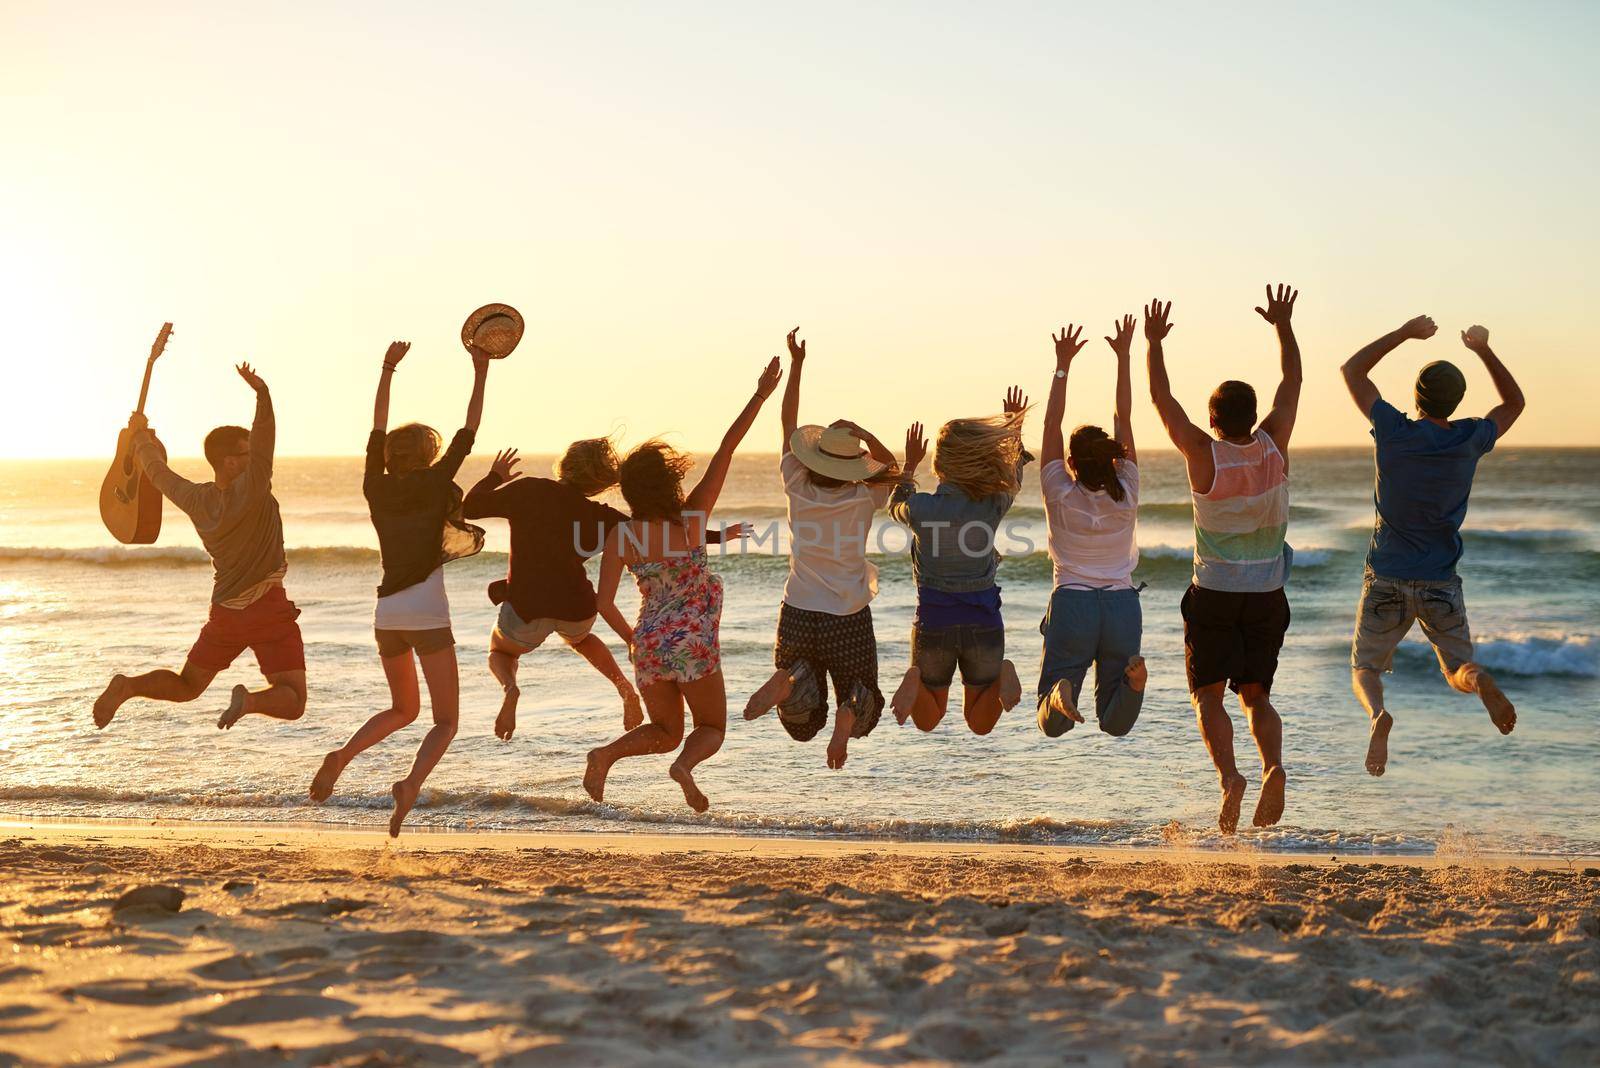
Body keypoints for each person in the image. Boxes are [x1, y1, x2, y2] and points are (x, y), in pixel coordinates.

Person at [583, 357, 783, 812]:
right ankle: (685, 768)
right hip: (692, 641)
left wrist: (633, 639)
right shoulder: (692, 520)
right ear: (671, 481)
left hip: (649, 643)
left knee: (666, 732)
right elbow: (727, 450)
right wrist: (759, 396)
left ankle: (606, 754)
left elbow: (603, 602)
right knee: (710, 727)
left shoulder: (623, 536)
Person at [310, 341, 489, 836]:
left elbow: (376, 428)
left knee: (401, 709)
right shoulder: (436, 484)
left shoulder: (374, 484)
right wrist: (481, 370)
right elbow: (469, 429)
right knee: (445, 720)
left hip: (387, 613)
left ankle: (342, 755)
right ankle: (410, 784)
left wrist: (387, 369)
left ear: (389, 456)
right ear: (429, 456)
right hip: (428, 612)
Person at [462, 439, 747, 742]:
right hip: (577, 607)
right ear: (601, 482)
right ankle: (622, 685)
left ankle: (510, 687)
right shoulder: (606, 518)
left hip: (526, 606)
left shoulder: (531, 490)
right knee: (581, 639)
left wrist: (496, 477)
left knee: (500, 650)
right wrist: (719, 536)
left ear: (566, 463)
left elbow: (470, 506)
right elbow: (666, 530)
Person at [1146, 285, 1301, 834]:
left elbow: (1163, 403)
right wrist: (1282, 325)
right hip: (1266, 595)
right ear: (1254, 415)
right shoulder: (1274, 446)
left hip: (1212, 593)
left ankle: (1231, 778)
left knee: (1208, 695)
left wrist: (1154, 344)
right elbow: (1293, 383)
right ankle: (1274, 766)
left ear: (1212, 419)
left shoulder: (1203, 454)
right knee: (1256, 695)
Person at [1339, 317, 1523, 775]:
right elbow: (1514, 402)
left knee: (1365, 667)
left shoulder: (1392, 430)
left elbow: (1352, 370)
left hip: (1386, 575)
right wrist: (1482, 349)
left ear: (1416, 397)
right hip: (1440, 580)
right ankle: (1479, 682)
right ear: (1457, 400)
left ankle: (1378, 715)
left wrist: (1403, 333)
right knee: (1458, 669)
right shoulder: (1470, 438)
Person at [92, 362, 307, 732]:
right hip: (267, 609)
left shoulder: (194, 498)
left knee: (188, 685)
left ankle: (128, 686)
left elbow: (156, 470)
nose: (253, 455)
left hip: (225, 612)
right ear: (230, 462)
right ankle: (251, 701)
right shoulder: (253, 488)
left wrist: (138, 436)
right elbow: (266, 437)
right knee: (293, 701)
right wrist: (263, 394)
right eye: (245, 452)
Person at [743, 327, 902, 769]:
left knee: (801, 724)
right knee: (862, 690)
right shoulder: (862, 498)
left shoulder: (796, 483)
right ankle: (849, 712)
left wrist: (797, 365)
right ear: (852, 466)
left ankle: (790, 677)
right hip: (848, 615)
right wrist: (863, 432)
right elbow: (892, 468)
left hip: (799, 607)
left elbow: (787, 423)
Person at [887, 390, 1030, 735]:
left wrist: (909, 464)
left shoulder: (921, 509)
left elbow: (895, 504)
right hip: (984, 622)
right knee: (979, 724)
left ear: (938, 464)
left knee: (928, 719)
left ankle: (914, 678)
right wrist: (1014, 428)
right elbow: (1014, 476)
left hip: (935, 622)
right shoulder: (993, 503)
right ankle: (1003, 673)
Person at [1036, 316, 1147, 737]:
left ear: (1071, 463)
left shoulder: (1058, 491)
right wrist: (1123, 356)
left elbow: (1050, 424)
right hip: (1121, 605)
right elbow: (1124, 416)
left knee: (1054, 724)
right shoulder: (1129, 488)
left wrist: (1062, 364)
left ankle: (1061, 693)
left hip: (1074, 604)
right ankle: (1134, 685)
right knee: (1114, 720)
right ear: (1113, 457)